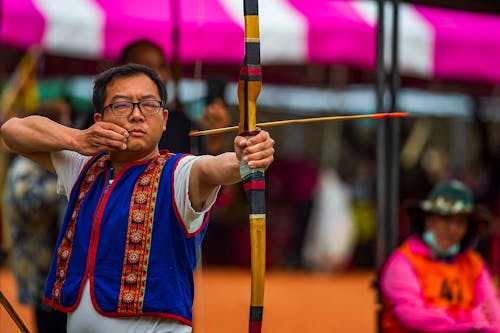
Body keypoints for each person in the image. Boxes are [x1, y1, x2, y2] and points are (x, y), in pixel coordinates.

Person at [0, 63, 275, 333]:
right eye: (121, 105)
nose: (137, 115)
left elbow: (216, 167)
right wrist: (78, 139)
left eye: (149, 105)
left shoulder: (179, 173)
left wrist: (244, 157)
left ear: (165, 120)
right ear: (100, 120)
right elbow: (12, 131)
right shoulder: (83, 167)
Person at [380, 180, 500, 333]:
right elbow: (412, 315)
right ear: (428, 220)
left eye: (460, 222)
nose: (452, 229)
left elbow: (494, 314)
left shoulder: (474, 263)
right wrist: (469, 322)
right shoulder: (403, 262)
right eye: (445, 218)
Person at [3, 100, 70, 333]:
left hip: (56, 269)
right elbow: (29, 204)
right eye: (63, 122)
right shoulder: (26, 166)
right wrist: (65, 185)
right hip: (39, 267)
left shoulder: (50, 162)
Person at [118, 39, 231, 155]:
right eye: (147, 66)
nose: (157, 74)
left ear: (164, 117)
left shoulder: (181, 125)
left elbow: (204, 167)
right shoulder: (112, 121)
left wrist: (215, 138)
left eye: (162, 66)